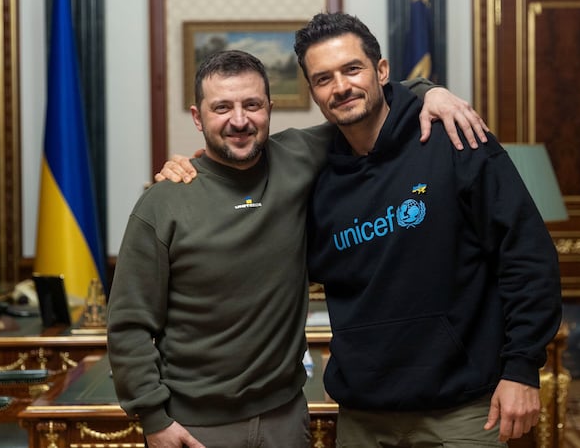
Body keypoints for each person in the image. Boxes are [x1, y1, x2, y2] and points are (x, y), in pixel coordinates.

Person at [108, 49, 488, 448]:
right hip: (194, 426)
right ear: (198, 117)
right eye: (222, 108)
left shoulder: (299, 156)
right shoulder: (164, 202)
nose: (239, 120)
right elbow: (130, 324)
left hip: (285, 418)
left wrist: (429, 91)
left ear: (269, 109)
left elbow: (367, 101)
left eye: (252, 105)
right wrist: (153, 419)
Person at [296, 13, 562, 447]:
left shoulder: (456, 139)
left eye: (352, 69)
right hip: (365, 415)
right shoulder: (314, 176)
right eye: (323, 78)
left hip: (462, 408)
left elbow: (525, 254)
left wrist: (522, 366)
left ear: (381, 71)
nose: (340, 86)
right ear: (314, 92)